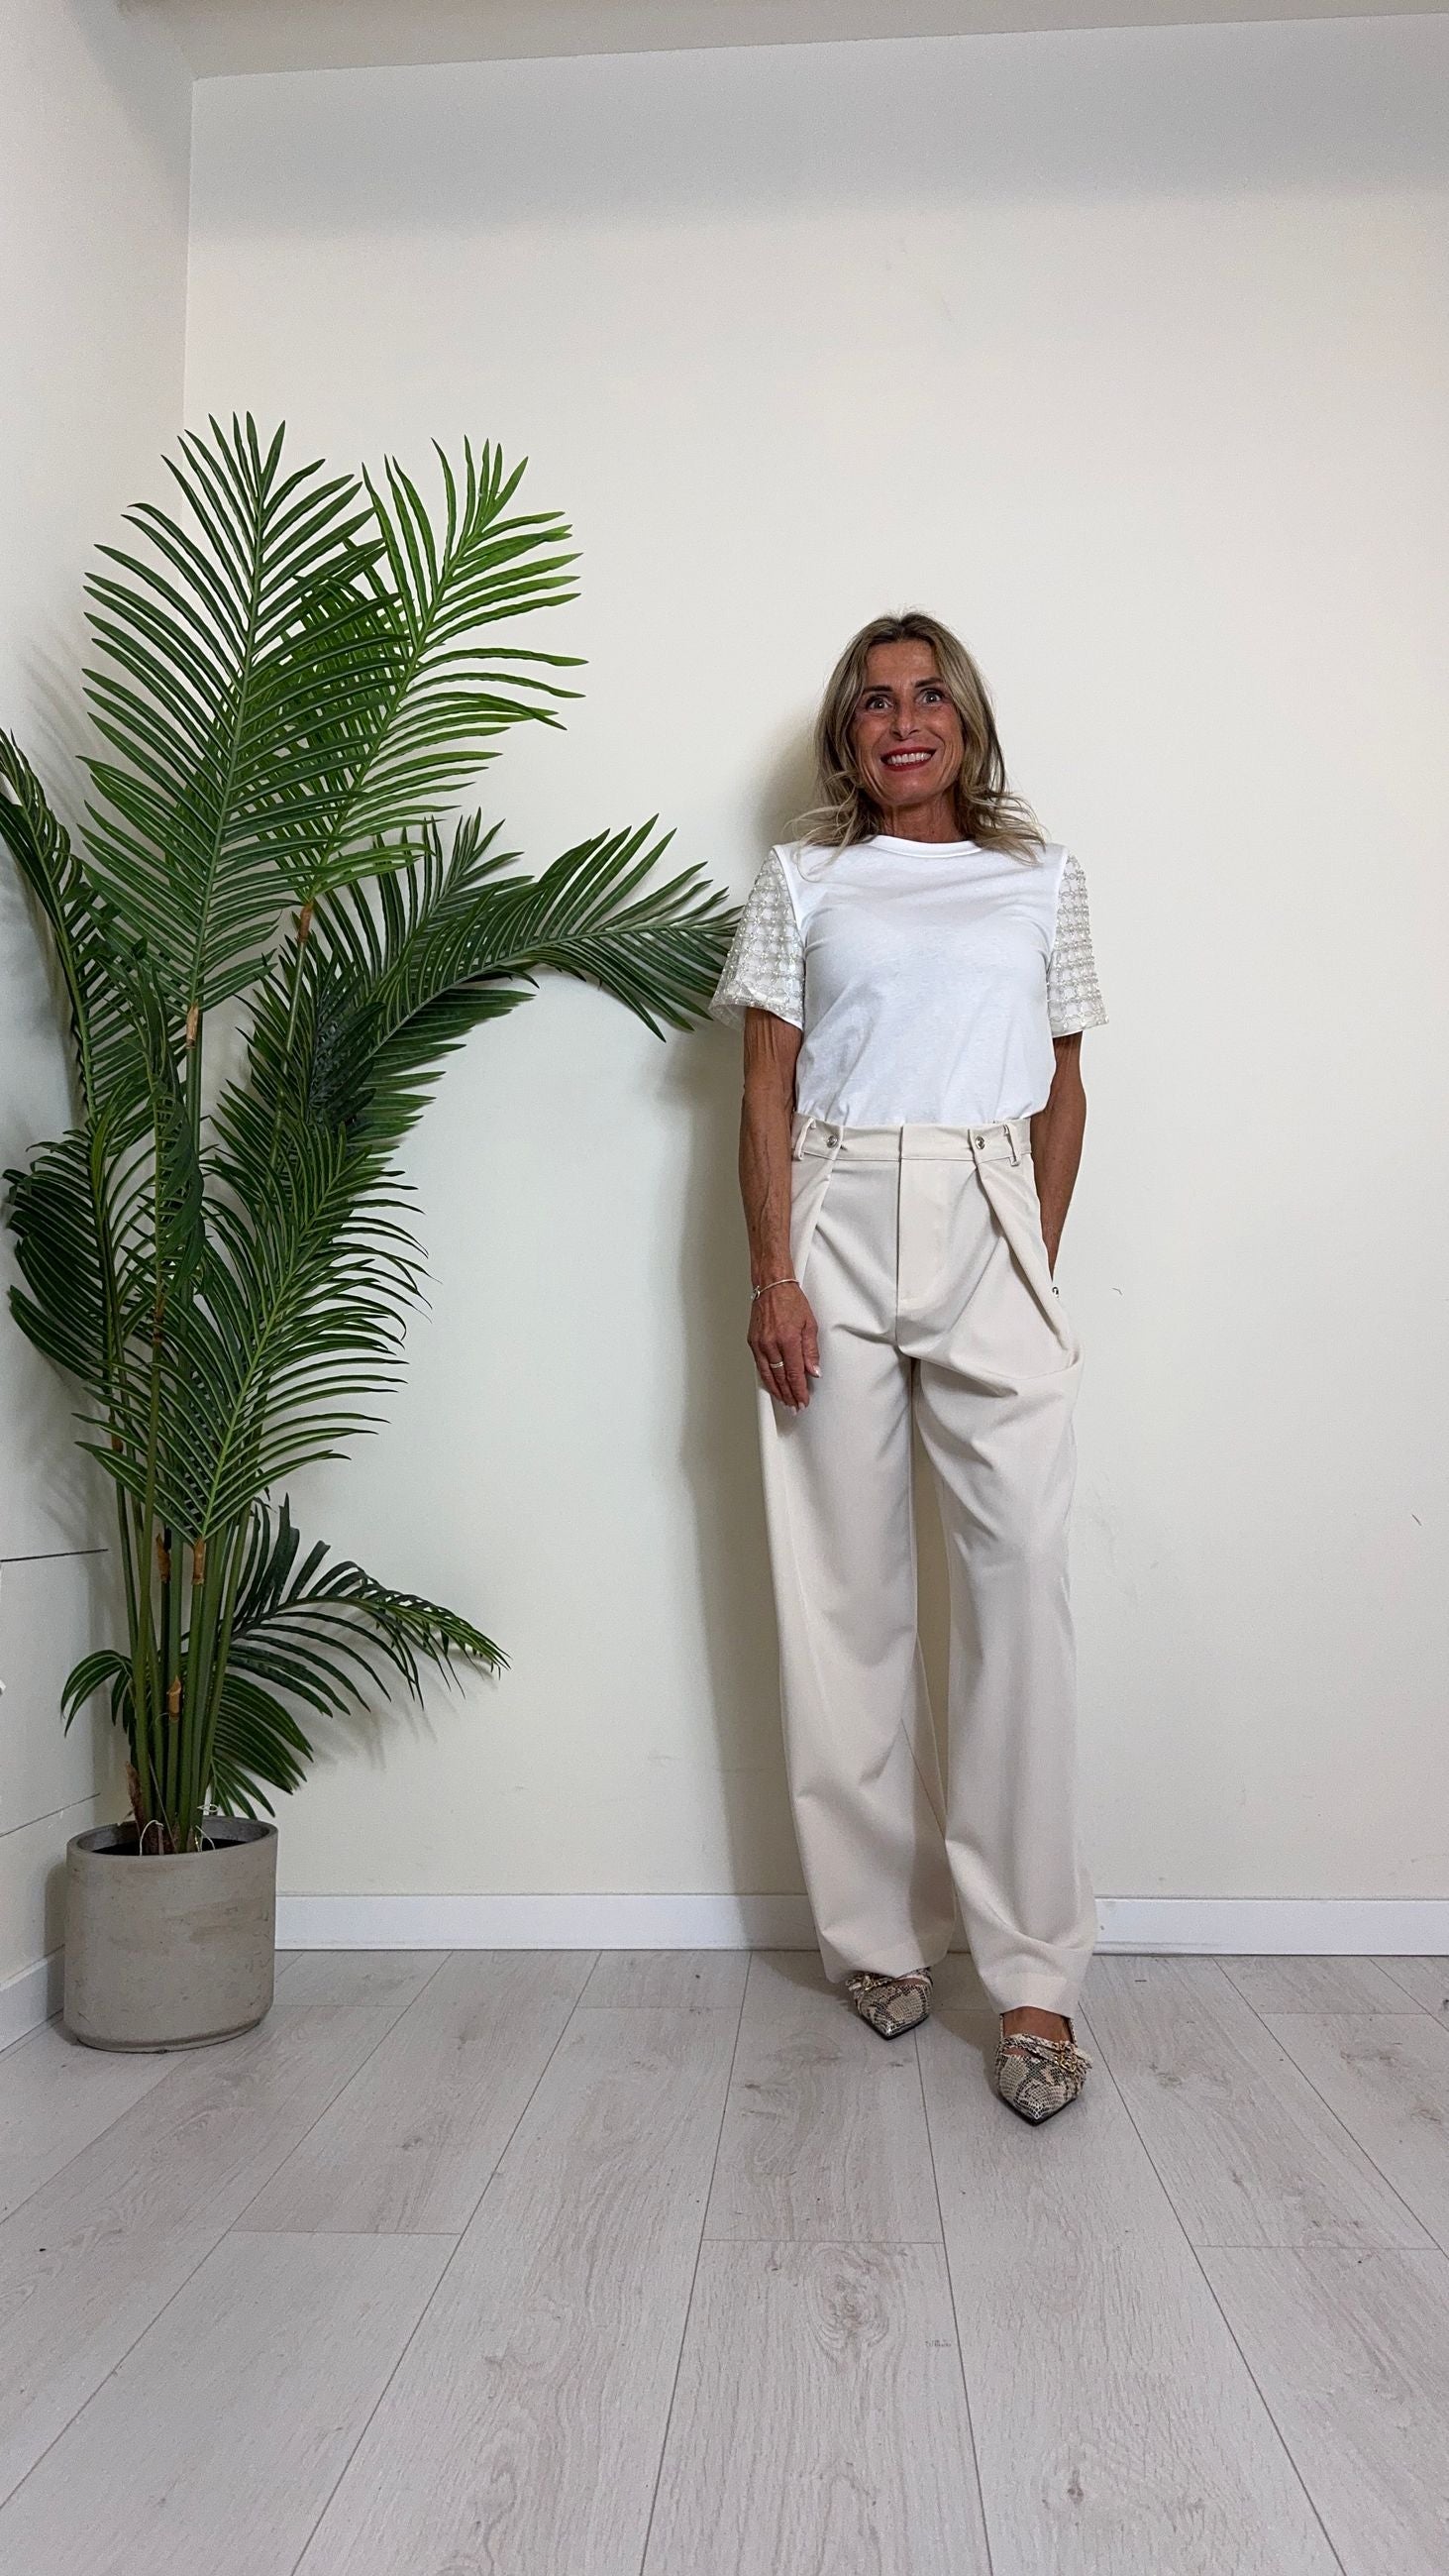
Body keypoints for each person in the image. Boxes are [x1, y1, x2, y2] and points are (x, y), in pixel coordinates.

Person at [710, 609, 1107, 2124]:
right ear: (846, 735)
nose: (904, 721)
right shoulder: (802, 879)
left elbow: (1066, 1088)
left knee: (1019, 1598)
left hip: (988, 1208)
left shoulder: (1042, 878)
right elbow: (762, 1087)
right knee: (846, 1600)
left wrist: (1029, 1258)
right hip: (834, 1215)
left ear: (967, 722)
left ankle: (1034, 1979)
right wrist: (773, 1271)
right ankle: (876, 1937)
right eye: (875, 702)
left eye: (930, 695)